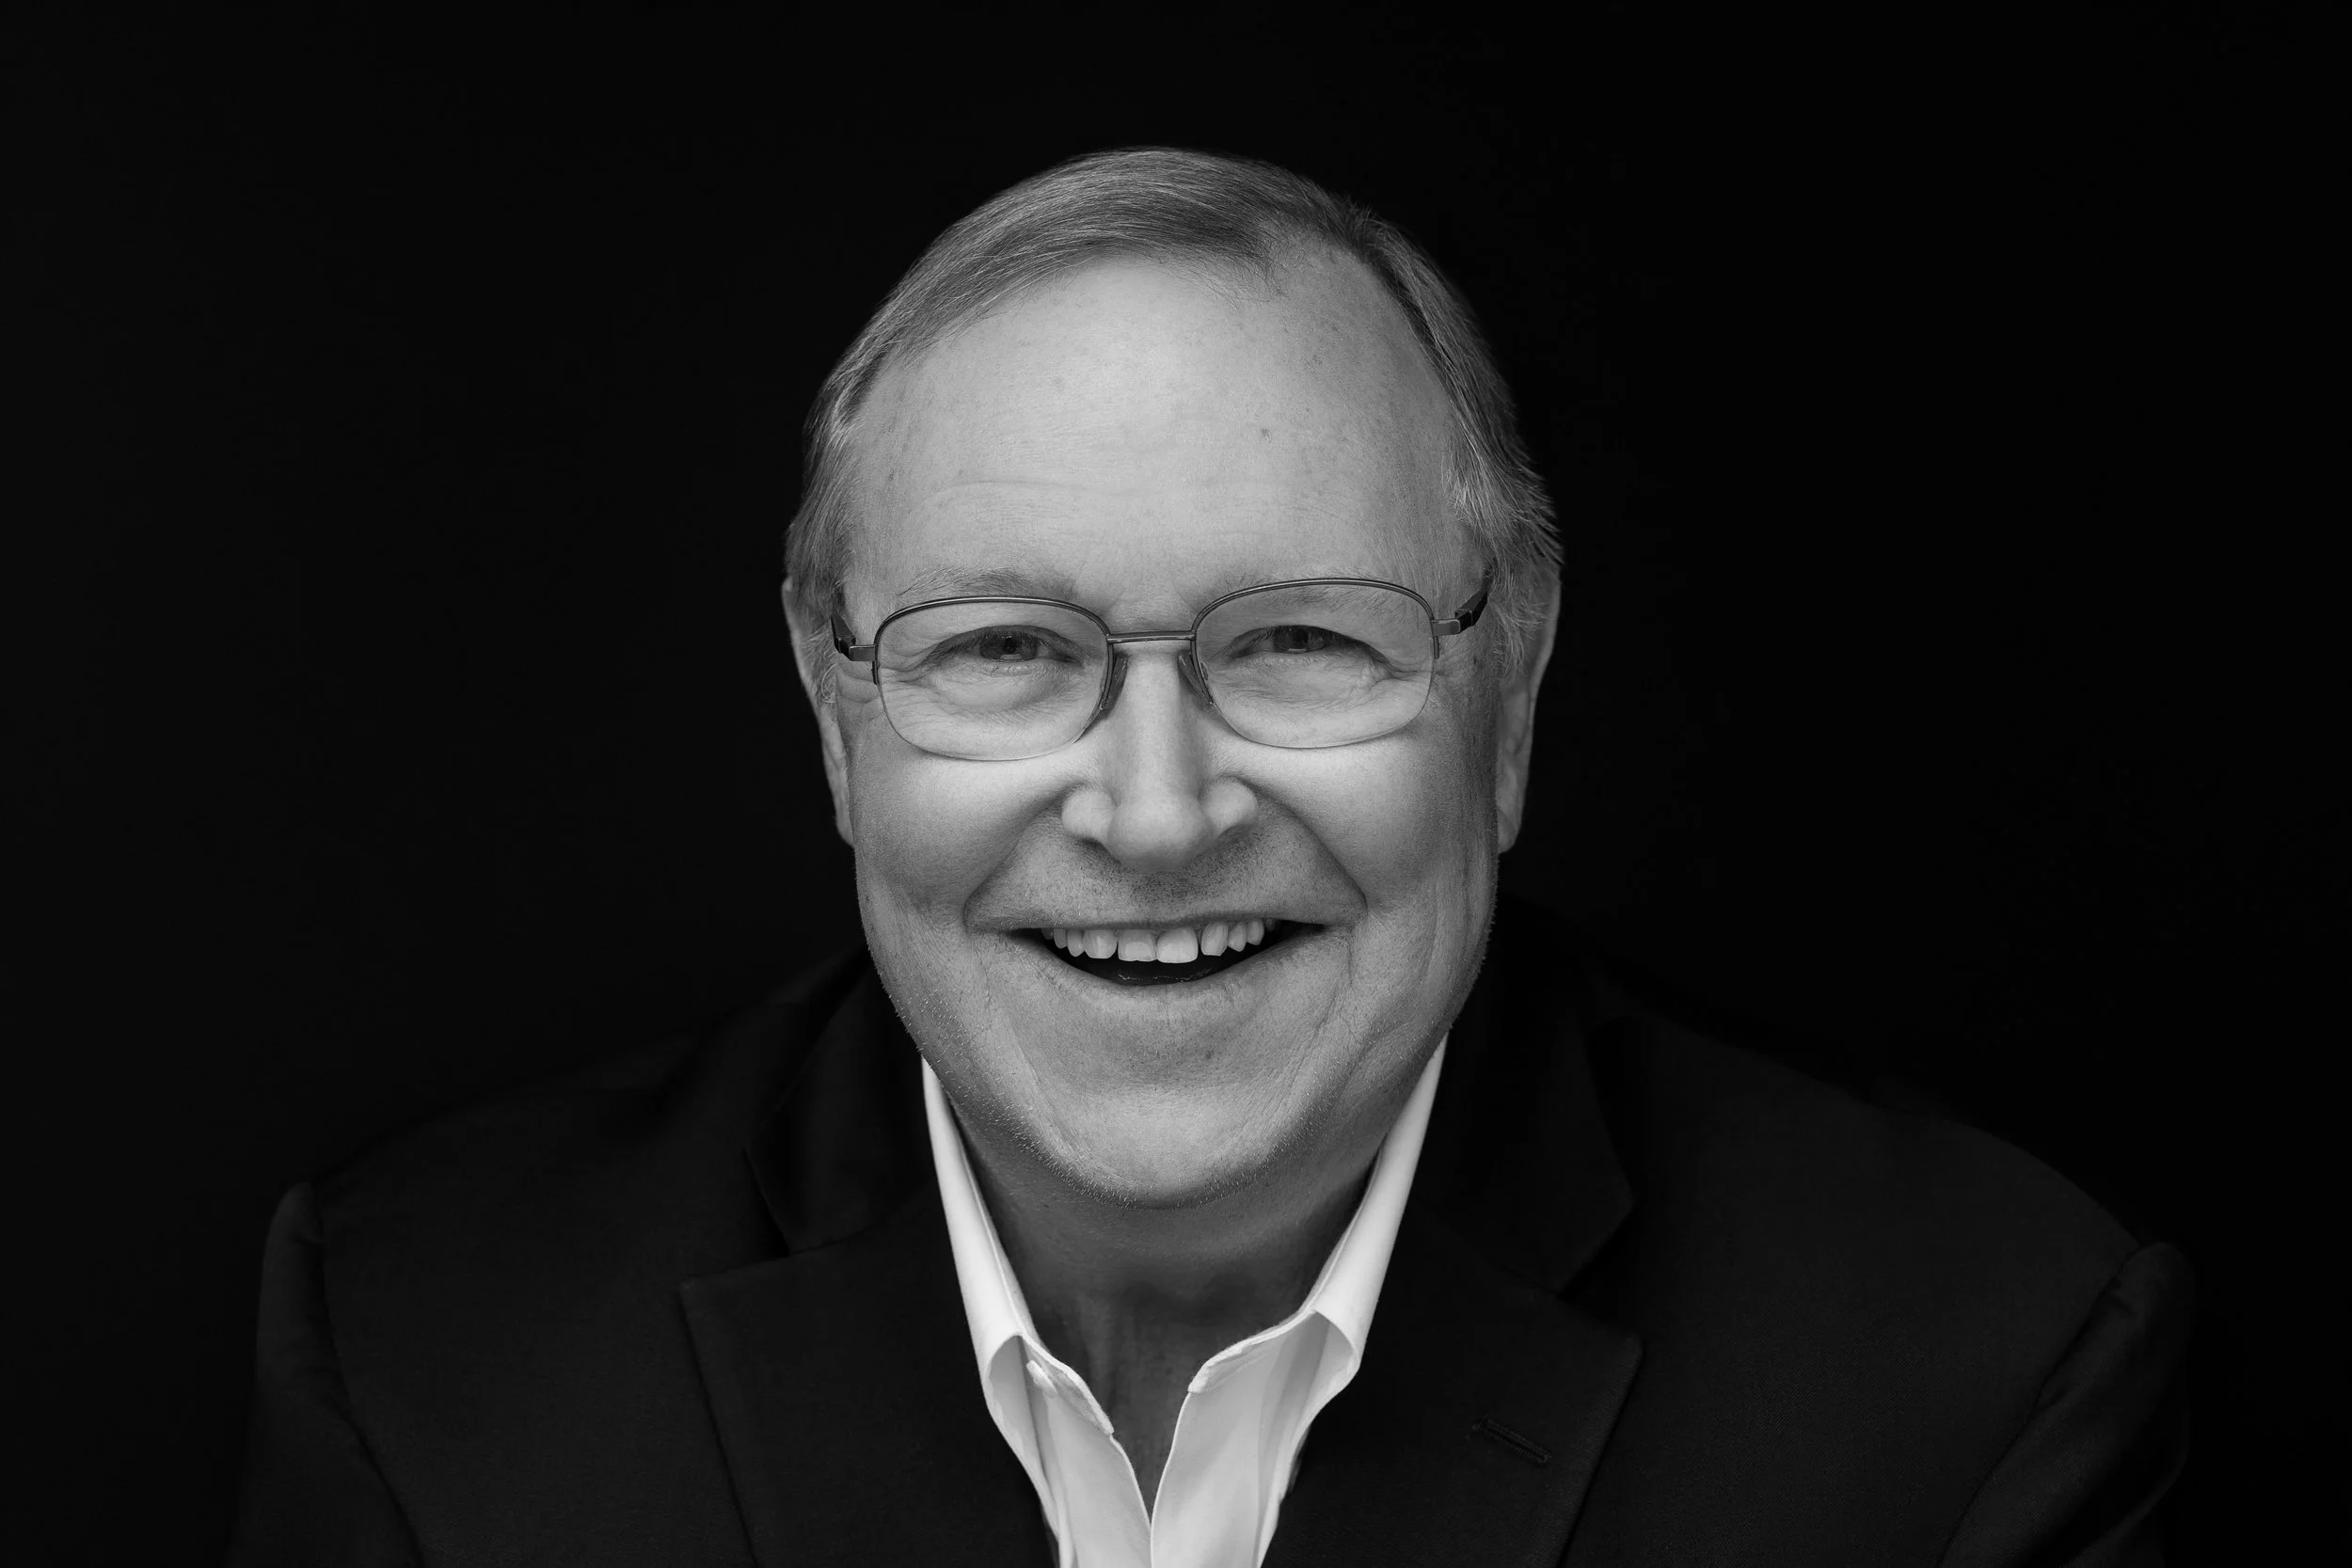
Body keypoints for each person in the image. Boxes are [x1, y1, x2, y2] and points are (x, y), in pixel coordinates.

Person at [227, 148, 2191, 1567]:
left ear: (1504, 704)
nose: (1154, 812)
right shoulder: (431, 1357)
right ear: (834, 719)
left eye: (1298, 641)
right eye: (1003, 649)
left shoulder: (1962, 1382)